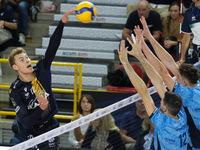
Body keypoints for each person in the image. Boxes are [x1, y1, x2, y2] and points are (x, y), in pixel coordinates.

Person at [8, 9, 75, 149]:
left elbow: (52, 46)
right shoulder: (15, 89)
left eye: (26, 57)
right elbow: (26, 122)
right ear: (15, 67)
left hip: (50, 125)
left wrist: (62, 23)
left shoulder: (42, 69)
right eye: (21, 60)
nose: (27, 60)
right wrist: (40, 108)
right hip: (30, 131)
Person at [138, 16, 200, 149]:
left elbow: (163, 71)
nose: (174, 79)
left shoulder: (187, 95)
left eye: (177, 78)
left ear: (184, 82)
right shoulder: (197, 85)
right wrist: (149, 37)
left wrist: (143, 46)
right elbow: (169, 64)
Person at [118, 36, 190, 149]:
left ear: (165, 108)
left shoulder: (162, 122)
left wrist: (126, 63)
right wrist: (141, 57)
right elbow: (158, 82)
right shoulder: (182, 116)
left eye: (161, 102)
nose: (160, 102)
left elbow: (143, 92)